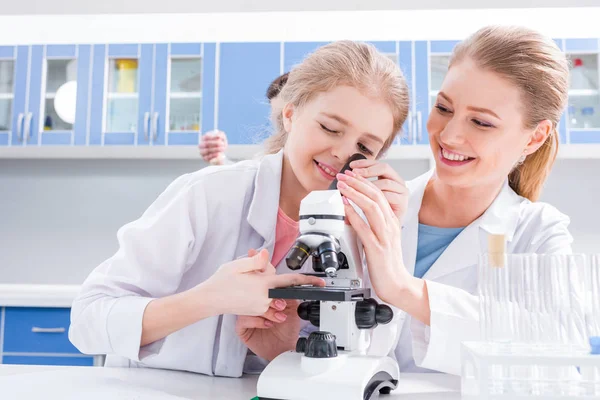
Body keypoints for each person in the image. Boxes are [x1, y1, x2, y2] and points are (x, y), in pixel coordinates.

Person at [68, 40, 410, 377]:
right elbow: (88, 322)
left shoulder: (365, 229)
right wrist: (210, 299)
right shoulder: (209, 194)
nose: (341, 152)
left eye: (364, 147)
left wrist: (280, 351)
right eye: (330, 128)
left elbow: (372, 360)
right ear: (290, 113)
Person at [330, 25, 573, 375]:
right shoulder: (373, 204)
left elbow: (555, 353)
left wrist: (402, 287)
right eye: (444, 107)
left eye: (481, 122)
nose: (449, 134)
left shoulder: (538, 235)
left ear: (535, 137)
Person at [198, 73, 289, 165]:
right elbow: (251, 175)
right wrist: (219, 159)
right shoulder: (271, 157)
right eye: (277, 117)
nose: (283, 124)